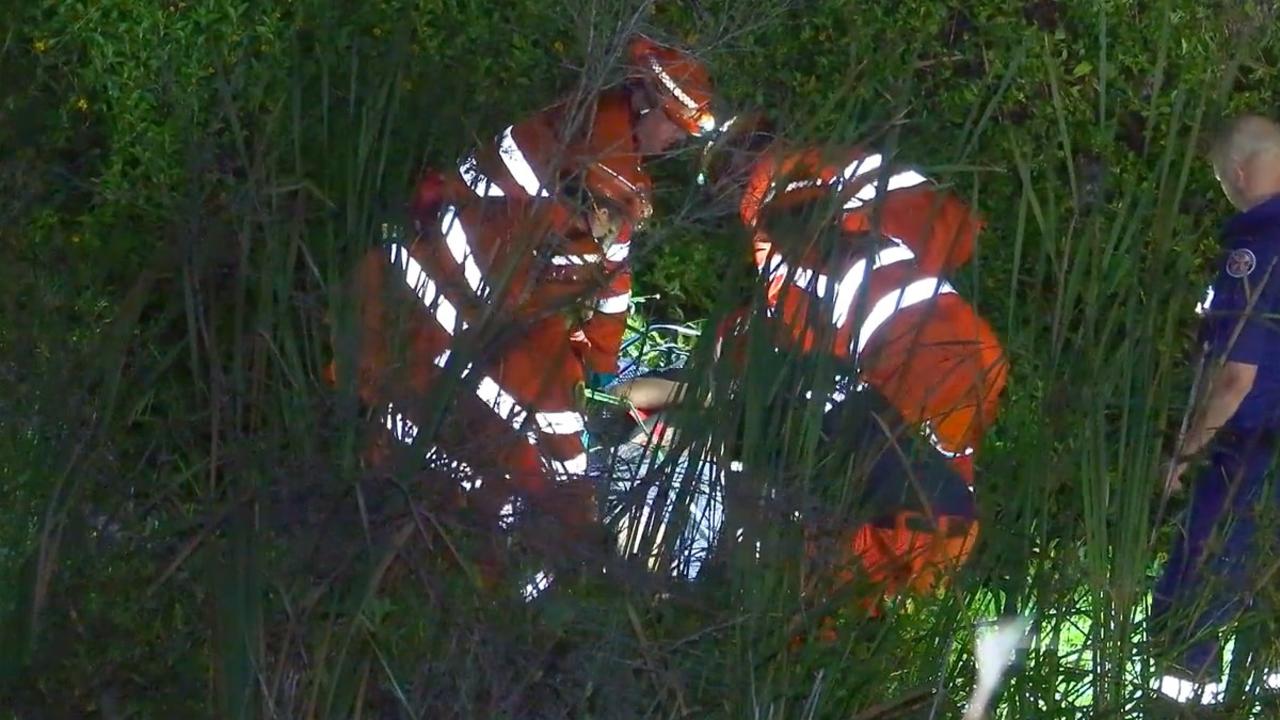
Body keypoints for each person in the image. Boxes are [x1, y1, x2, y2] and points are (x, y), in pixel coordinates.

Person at [333, 33, 717, 593]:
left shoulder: (564, 130)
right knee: (523, 443)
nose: (673, 143)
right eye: (673, 129)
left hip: (433, 301)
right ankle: (531, 581)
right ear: (645, 103)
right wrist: (592, 367)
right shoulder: (604, 177)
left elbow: (602, 283)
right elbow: (595, 281)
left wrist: (600, 362)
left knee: (422, 425)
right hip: (477, 315)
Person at [603, 115, 1007, 618]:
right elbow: (953, 238)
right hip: (960, 356)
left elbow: (789, 381)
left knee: (869, 521)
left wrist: (677, 402)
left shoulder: (779, 213)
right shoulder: (851, 186)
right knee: (922, 505)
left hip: (906, 370)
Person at [1153, 114, 1280, 703]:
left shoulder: (1255, 252)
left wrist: (1180, 456)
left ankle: (1178, 707)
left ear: (1236, 173)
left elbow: (1234, 379)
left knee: (1194, 597)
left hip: (1249, 459)